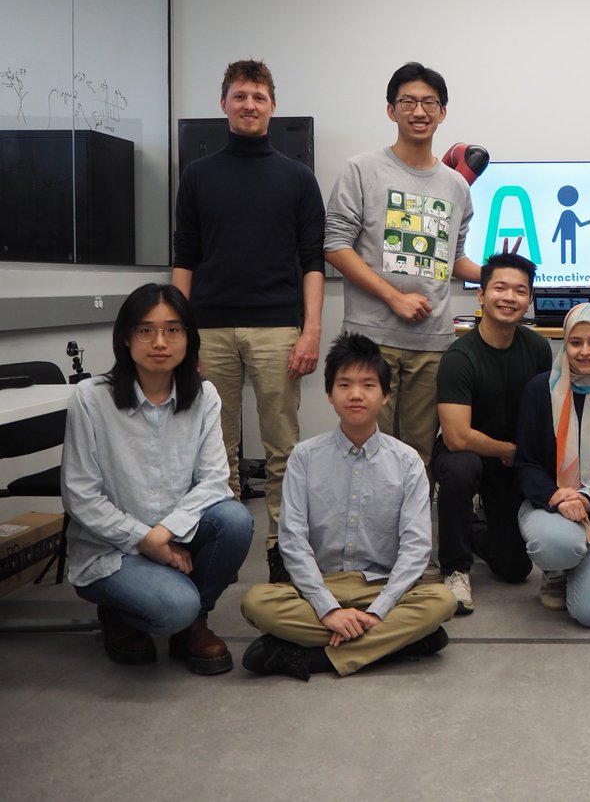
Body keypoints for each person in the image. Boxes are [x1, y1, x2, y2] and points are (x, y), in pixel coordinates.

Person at [172, 58, 325, 581]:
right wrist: (178, 334)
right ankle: (225, 544)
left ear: (272, 106)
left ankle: (283, 550)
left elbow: (313, 262)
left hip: (277, 328)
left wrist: (310, 330)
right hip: (209, 329)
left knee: (283, 447)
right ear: (224, 105)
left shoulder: (298, 179)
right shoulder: (196, 177)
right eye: (240, 96)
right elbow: (184, 258)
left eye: (259, 97)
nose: (249, 105)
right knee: (217, 450)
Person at [240, 333, 457, 679]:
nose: (356, 394)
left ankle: (315, 658)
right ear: (330, 394)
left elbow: (416, 548)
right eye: (344, 384)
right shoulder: (304, 457)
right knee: (256, 602)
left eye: (368, 384)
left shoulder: (407, 462)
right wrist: (328, 610)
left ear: (385, 395)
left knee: (442, 601)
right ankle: (395, 642)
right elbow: (292, 540)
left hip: (380, 585)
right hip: (320, 584)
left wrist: (379, 609)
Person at [61, 283, 253, 674]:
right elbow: (81, 496)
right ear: (126, 339)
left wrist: (162, 534)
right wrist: (143, 539)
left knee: (235, 520)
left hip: (173, 537)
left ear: (189, 339)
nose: (160, 342)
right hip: (110, 550)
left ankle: (193, 624)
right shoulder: (90, 398)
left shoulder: (204, 397)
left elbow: (215, 481)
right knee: (173, 607)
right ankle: (120, 611)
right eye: (146, 330)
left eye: (173, 330)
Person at [324, 62, 481, 469]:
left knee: (417, 457)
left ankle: (412, 535)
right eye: (408, 101)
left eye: (430, 102)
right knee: (364, 451)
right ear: (391, 110)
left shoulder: (457, 185)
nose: (419, 111)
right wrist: (394, 298)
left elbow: (453, 259)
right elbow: (336, 245)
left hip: (432, 342)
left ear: (443, 112)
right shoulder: (362, 169)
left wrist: (498, 275)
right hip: (371, 337)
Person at [433, 253, 552, 614]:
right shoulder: (459, 357)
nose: (509, 297)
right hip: (466, 454)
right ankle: (454, 566)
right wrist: (509, 450)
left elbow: (542, 416)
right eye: (499, 288)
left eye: (520, 290)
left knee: (515, 569)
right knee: (461, 467)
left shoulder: (538, 349)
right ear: (481, 295)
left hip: (509, 461)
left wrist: (525, 458)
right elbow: (456, 436)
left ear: (529, 299)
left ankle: (470, 529)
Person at [514, 303, 590, 626]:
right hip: (551, 505)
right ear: (564, 343)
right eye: (575, 342)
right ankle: (556, 571)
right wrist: (558, 496)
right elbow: (525, 462)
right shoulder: (540, 389)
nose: (585, 351)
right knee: (560, 544)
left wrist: (589, 501)